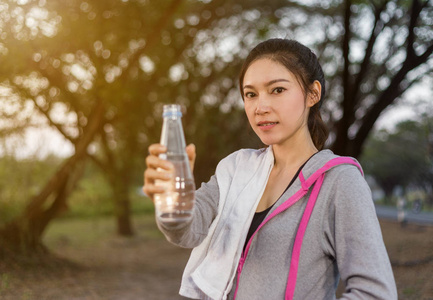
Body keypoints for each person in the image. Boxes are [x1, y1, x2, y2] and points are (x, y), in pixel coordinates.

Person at [143, 38, 397, 300]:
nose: (260, 108)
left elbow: (375, 293)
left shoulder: (340, 182)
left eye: (277, 90)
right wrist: (174, 202)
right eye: (251, 94)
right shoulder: (235, 169)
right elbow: (187, 231)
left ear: (313, 94)